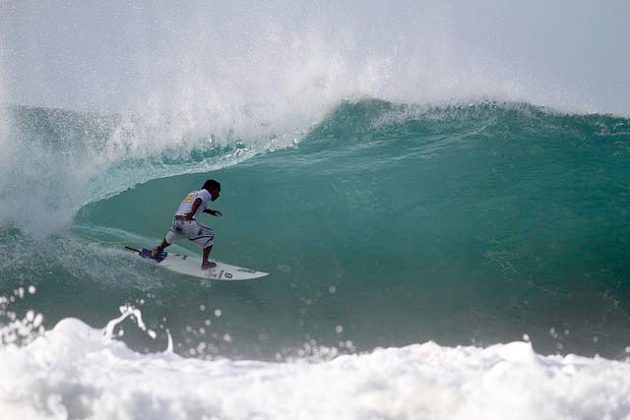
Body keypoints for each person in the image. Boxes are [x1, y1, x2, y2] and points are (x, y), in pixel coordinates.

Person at [152, 179, 223, 269]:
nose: (218, 194)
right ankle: (205, 263)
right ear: (211, 189)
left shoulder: (193, 193)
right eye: (218, 191)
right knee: (210, 235)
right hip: (187, 223)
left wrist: (209, 211)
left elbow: (197, 204)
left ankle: (158, 250)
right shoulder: (206, 193)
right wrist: (191, 214)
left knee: (172, 236)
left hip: (177, 222)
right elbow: (198, 201)